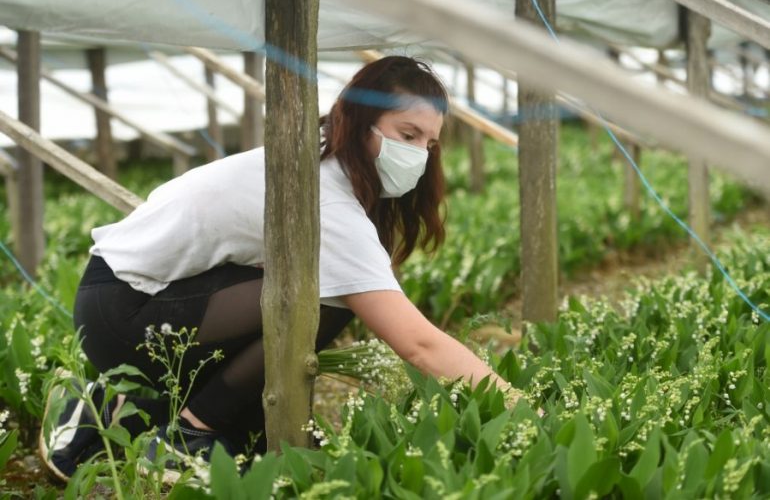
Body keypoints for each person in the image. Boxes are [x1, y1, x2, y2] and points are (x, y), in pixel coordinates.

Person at [39, 55, 517, 482]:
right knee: (326, 296)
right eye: (406, 135)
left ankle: (120, 408)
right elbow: (417, 342)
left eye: (429, 144)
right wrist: (515, 405)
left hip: (128, 299)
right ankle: (188, 437)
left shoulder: (316, 156)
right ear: (359, 119)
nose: (417, 154)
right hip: (123, 311)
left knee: (314, 300)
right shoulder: (321, 193)